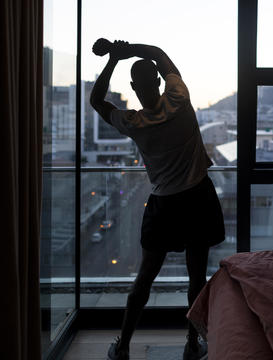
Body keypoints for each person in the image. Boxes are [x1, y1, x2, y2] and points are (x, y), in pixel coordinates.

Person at [90, 38, 225, 360]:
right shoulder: (179, 98)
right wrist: (126, 48)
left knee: (145, 278)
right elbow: (158, 54)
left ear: (135, 88)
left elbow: (97, 100)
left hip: (164, 203)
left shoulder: (133, 122)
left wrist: (112, 58)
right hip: (198, 197)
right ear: (160, 82)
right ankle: (192, 345)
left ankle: (122, 347)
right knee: (196, 276)